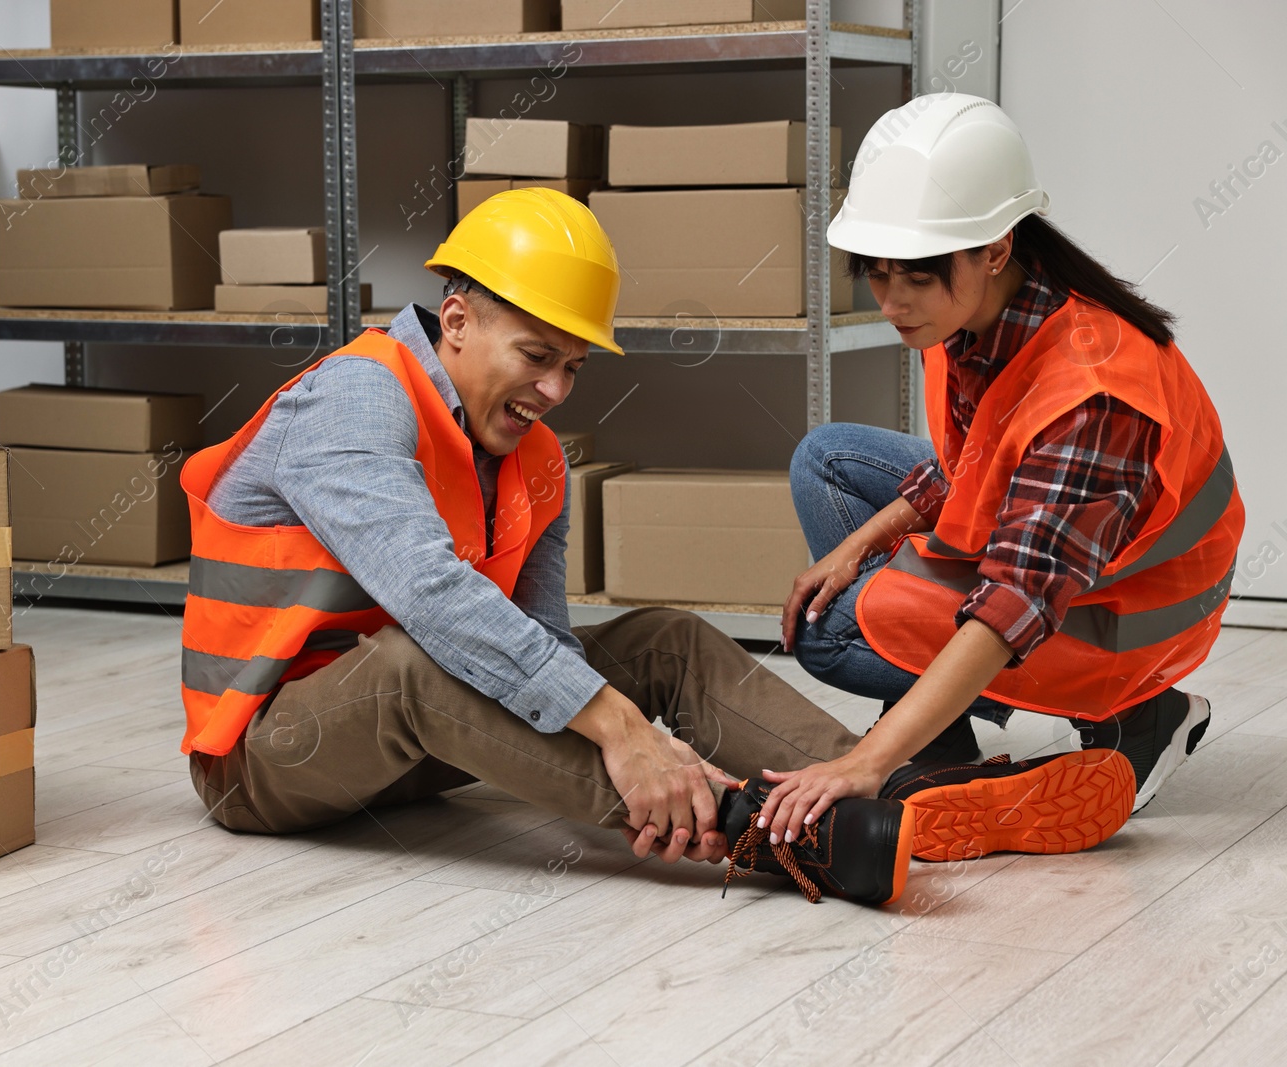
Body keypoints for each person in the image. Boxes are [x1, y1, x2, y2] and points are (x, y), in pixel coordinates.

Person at [181, 188, 1133, 907]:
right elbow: (430, 596)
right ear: (457, 320)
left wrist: (630, 718)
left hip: (420, 751)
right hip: (270, 756)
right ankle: (773, 835)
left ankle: (890, 793)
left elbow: (543, 646)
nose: (555, 390)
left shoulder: (534, 458)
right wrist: (632, 738)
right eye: (536, 355)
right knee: (413, 663)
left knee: (660, 641)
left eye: (573, 366)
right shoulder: (352, 401)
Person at [763, 94, 1243, 850]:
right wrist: (860, 542)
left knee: (832, 631)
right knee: (826, 462)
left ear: (994, 247)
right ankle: (942, 731)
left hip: (1132, 606)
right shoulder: (985, 304)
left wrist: (861, 765)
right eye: (877, 274)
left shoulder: (1093, 390)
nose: (891, 303)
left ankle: (1134, 714)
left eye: (916, 276)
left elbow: (1015, 602)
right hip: (1073, 553)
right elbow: (975, 462)